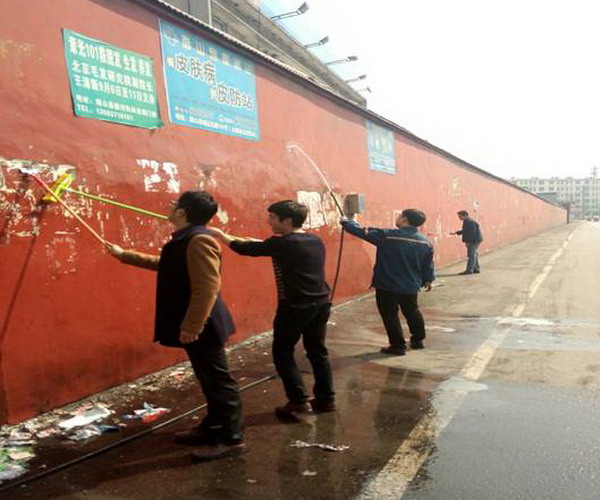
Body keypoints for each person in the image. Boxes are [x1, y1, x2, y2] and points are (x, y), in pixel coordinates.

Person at [106, 191, 244, 462]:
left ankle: (232, 439)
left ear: (182, 212)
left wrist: (192, 326)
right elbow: (169, 266)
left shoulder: (199, 240)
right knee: (208, 378)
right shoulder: (186, 239)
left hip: (203, 323)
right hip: (197, 322)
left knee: (218, 381)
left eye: (175, 204)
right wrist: (124, 255)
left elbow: (207, 288)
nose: (170, 206)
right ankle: (213, 426)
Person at [208, 200, 335, 417]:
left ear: (287, 221)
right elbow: (271, 246)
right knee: (317, 351)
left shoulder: (281, 244)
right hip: (321, 303)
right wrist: (254, 242)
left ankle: (298, 400)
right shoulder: (313, 240)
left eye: (273, 218)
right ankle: (326, 400)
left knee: (283, 352)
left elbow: (245, 249)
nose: (269, 221)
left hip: (295, 306)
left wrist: (220, 235)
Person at [341, 209, 435, 356]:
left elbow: (362, 231)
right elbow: (428, 265)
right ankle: (418, 340)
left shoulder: (388, 236)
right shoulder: (426, 242)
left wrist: (346, 222)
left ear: (404, 219)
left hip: (388, 285)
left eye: (399, 216)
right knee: (412, 311)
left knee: (390, 315)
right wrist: (428, 279)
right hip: (411, 285)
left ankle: (397, 346)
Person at [452, 210, 483, 275]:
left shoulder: (469, 222)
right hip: (476, 239)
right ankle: (476, 268)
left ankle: (469, 270)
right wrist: (456, 233)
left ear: (465, 215)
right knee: (474, 254)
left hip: (474, 240)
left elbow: (471, 233)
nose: (459, 218)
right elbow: (465, 231)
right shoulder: (467, 221)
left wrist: (468, 242)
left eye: (460, 216)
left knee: (471, 255)